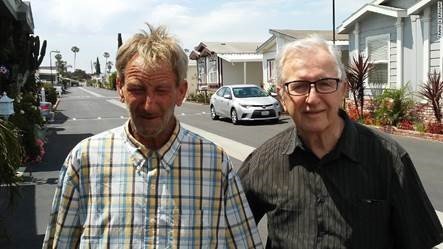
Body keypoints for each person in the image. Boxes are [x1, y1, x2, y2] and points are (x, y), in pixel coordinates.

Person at [42, 24, 262, 249]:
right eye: (137, 89)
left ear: (181, 92)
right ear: (120, 88)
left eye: (161, 90)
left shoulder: (214, 164)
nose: (148, 105)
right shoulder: (84, 161)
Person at [238, 36, 443, 249]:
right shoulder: (262, 163)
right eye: (299, 86)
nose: (313, 98)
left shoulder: (388, 159)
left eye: (325, 83)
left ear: (343, 89)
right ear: (282, 95)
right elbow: (227, 231)